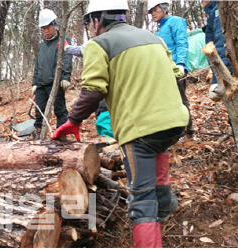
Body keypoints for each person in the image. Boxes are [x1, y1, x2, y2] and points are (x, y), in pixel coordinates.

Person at [51, 0, 189, 247]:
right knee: (159, 147)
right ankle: (166, 205)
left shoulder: (99, 44)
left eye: (90, 23)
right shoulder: (154, 39)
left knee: (141, 198)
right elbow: (177, 75)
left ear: (97, 20)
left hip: (141, 132)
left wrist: (72, 121)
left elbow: (93, 90)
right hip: (175, 122)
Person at [148, 0, 194, 136]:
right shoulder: (158, 29)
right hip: (161, 70)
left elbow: (181, 42)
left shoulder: (176, 21)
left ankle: (188, 129)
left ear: (164, 8)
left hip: (175, 68)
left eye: (155, 10)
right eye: (151, 12)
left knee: (180, 100)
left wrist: (181, 63)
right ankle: (172, 131)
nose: (153, 14)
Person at [32, 9, 73, 139]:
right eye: (43, 28)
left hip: (55, 83)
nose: (46, 31)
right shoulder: (42, 46)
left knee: (60, 110)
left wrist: (66, 77)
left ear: (55, 25)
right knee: (39, 111)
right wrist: (34, 83)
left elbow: (66, 59)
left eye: (48, 27)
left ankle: (62, 134)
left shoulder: (63, 40)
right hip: (41, 85)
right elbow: (37, 65)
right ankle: (38, 134)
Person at [202, 0, 235, 140]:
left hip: (232, 68)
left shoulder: (219, 10)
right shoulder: (212, 14)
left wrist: (218, 80)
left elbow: (222, 47)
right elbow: (212, 50)